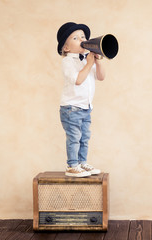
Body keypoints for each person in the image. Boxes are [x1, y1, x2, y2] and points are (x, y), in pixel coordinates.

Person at [57, 22, 106, 177]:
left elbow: (101, 77)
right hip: (71, 108)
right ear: (66, 48)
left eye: (83, 37)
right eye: (76, 38)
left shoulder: (87, 60)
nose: (82, 39)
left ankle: (82, 163)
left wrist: (97, 61)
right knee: (74, 137)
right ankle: (72, 165)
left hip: (86, 107)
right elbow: (78, 80)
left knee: (84, 137)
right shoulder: (68, 61)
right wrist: (89, 63)